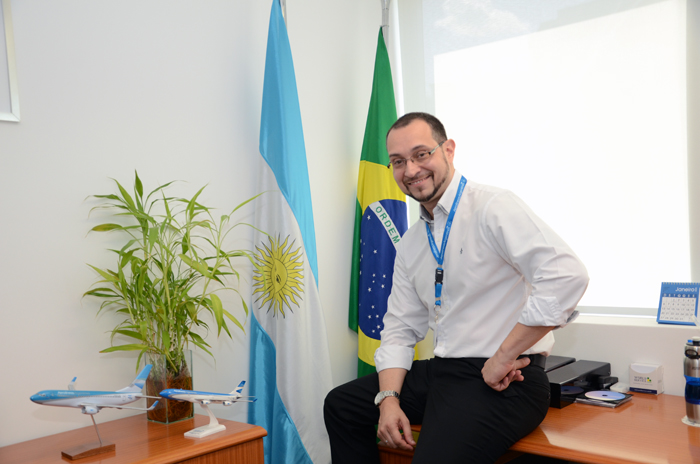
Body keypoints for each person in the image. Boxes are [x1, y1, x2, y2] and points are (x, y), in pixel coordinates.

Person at [324, 112, 589, 463]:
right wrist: (388, 400)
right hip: (445, 371)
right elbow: (399, 331)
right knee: (342, 405)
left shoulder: (492, 207)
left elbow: (567, 275)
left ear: (448, 150)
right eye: (398, 161)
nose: (411, 169)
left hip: (508, 378)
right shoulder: (411, 243)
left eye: (421, 154)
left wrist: (503, 356)